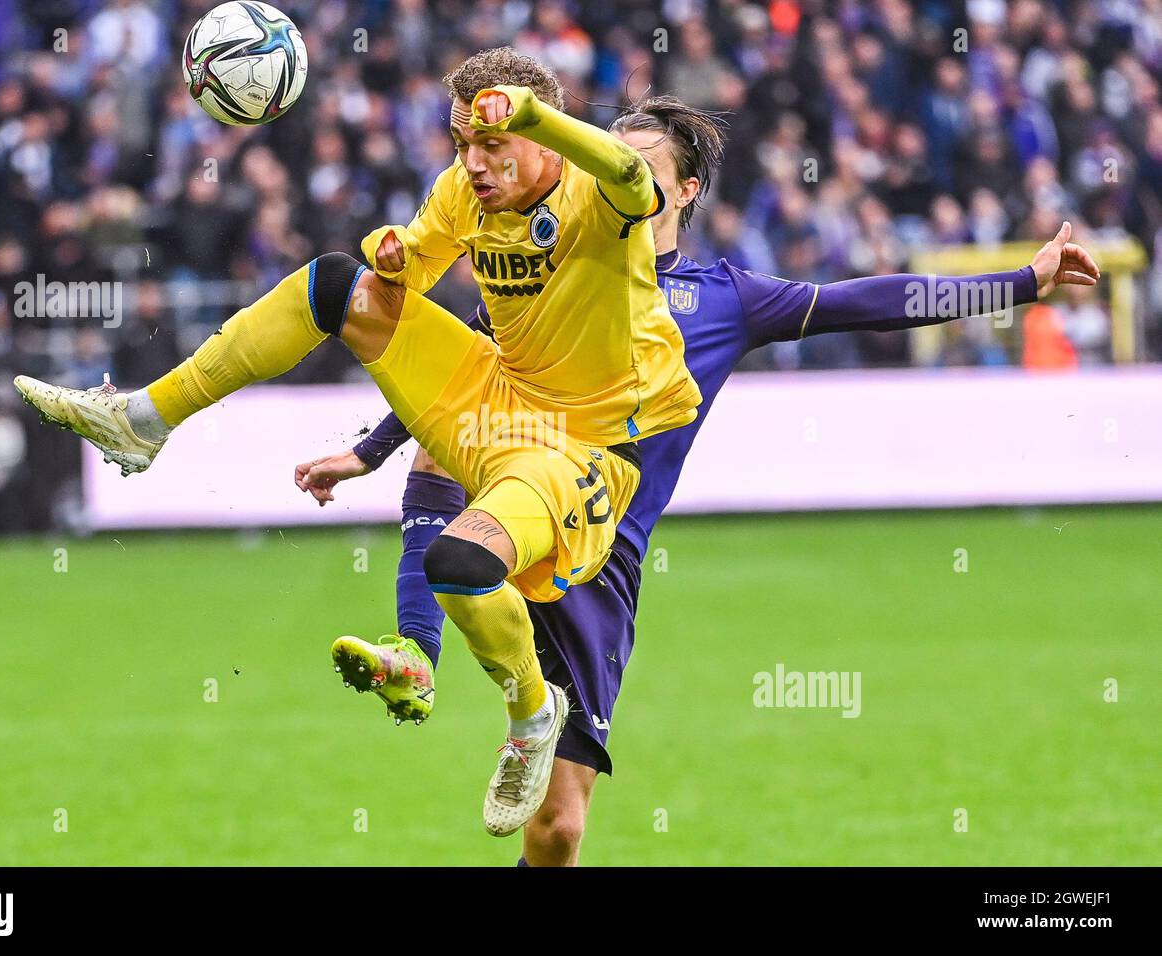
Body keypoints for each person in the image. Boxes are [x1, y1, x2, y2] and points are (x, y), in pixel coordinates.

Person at [295, 96, 1102, 865]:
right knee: (457, 443)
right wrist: (370, 451)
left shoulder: (726, 299)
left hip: (603, 560)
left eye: (640, 164)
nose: (617, 172)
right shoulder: (550, 269)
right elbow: (463, 365)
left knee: (557, 832)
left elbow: (870, 301)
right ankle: (417, 655)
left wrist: (1022, 283)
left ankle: (507, 709)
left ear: (682, 190)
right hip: (520, 494)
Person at [12, 48, 702, 838]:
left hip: (580, 448)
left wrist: (536, 115)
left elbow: (631, 177)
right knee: (338, 283)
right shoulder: (461, 194)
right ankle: (142, 421)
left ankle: (532, 714)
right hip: (494, 396)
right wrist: (393, 258)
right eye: (460, 145)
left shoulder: (598, 193)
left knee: (462, 564)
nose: (472, 164)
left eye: (491, 144)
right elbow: (408, 268)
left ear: (538, 132)